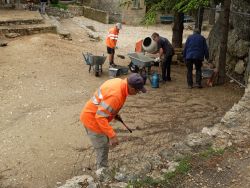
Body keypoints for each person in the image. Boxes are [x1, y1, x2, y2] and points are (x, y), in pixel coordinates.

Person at [80, 73, 146, 171]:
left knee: (103, 144)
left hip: (92, 114)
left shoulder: (118, 82)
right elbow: (100, 117)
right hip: (92, 120)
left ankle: (101, 167)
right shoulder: (116, 96)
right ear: (132, 89)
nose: (137, 93)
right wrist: (112, 136)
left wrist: (113, 113)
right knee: (102, 146)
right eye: (138, 91)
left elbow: (105, 104)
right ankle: (102, 173)